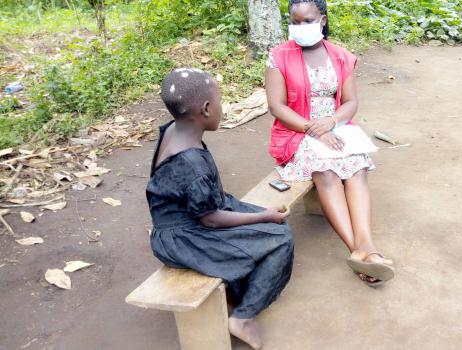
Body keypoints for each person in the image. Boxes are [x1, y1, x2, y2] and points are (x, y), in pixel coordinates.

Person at [146, 68, 293, 349]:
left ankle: (237, 290)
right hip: (184, 236)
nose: (222, 109)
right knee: (280, 239)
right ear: (205, 109)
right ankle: (244, 316)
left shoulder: (173, 130)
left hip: (191, 214)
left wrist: (260, 217)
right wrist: (262, 216)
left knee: (269, 224)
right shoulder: (191, 164)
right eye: (220, 102)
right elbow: (211, 220)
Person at [265, 0, 395, 286]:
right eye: (295, 22)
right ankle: (361, 253)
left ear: (321, 20)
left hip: (338, 128)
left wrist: (332, 123)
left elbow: (351, 102)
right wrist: (314, 129)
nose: (301, 28)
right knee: (326, 172)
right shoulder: (278, 57)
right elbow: (277, 106)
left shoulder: (340, 56)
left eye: (308, 21)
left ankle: (366, 249)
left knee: (358, 169)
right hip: (298, 131)